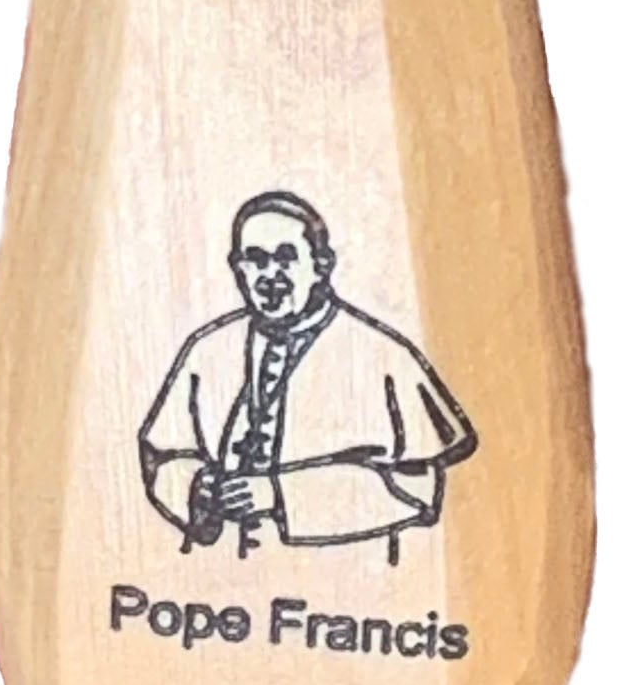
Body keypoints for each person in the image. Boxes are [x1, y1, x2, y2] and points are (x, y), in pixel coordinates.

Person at [138, 190, 476, 558]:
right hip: (218, 579)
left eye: (286, 258)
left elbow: (416, 490)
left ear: (320, 265)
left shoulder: (383, 356)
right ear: (238, 270)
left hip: (347, 576)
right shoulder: (206, 349)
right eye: (255, 260)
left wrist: (279, 494)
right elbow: (162, 457)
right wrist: (195, 489)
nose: (270, 275)